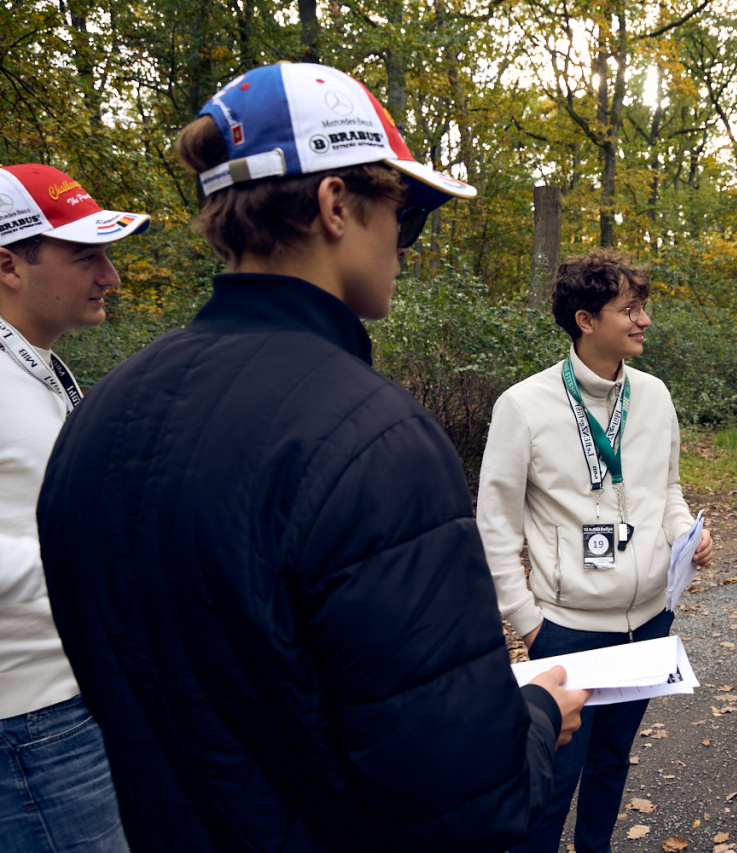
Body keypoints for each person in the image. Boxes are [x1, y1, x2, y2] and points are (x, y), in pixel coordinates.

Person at [36, 63, 587, 852]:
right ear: (334, 205)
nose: (405, 246)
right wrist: (534, 716)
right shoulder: (373, 438)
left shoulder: (99, 416)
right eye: (406, 214)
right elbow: (465, 800)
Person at [477, 248, 713, 853]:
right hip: (567, 632)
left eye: (643, 307)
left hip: (650, 622)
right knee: (551, 780)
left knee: (612, 761)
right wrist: (529, 623)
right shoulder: (522, 406)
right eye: (629, 309)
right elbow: (495, 527)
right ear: (586, 320)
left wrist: (684, 533)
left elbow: (667, 488)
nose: (644, 320)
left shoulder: (654, 395)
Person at [0, 163, 148, 853]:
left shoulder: (34, 364)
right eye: (85, 255)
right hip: (29, 724)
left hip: (73, 701)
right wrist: (99, 565)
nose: (109, 276)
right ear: (8, 264)